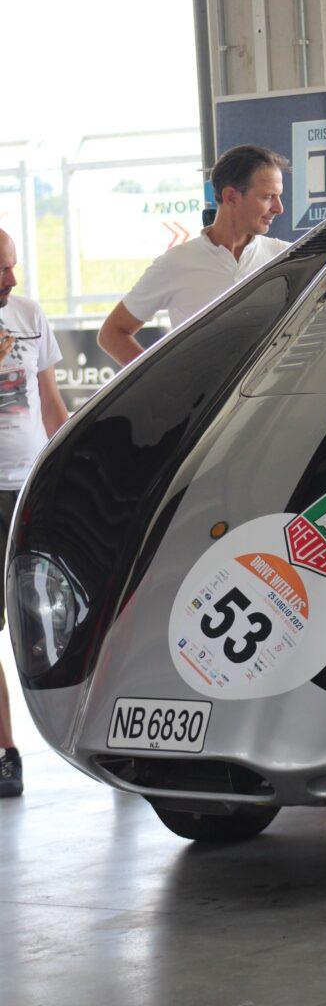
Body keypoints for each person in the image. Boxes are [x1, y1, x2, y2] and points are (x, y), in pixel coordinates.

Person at [99, 144, 292, 366]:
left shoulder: (288, 257)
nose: (279, 208)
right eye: (268, 197)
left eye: (278, 197)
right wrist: (164, 380)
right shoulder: (176, 263)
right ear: (231, 196)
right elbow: (112, 333)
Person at [0, 228, 69, 797]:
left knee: (55, 620)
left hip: (29, 488)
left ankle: (96, 738)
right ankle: (5, 751)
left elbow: (50, 404)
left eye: (13, 265)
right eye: (1, 269)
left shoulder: (28, 314)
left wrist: (70, 468)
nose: (12, 279)